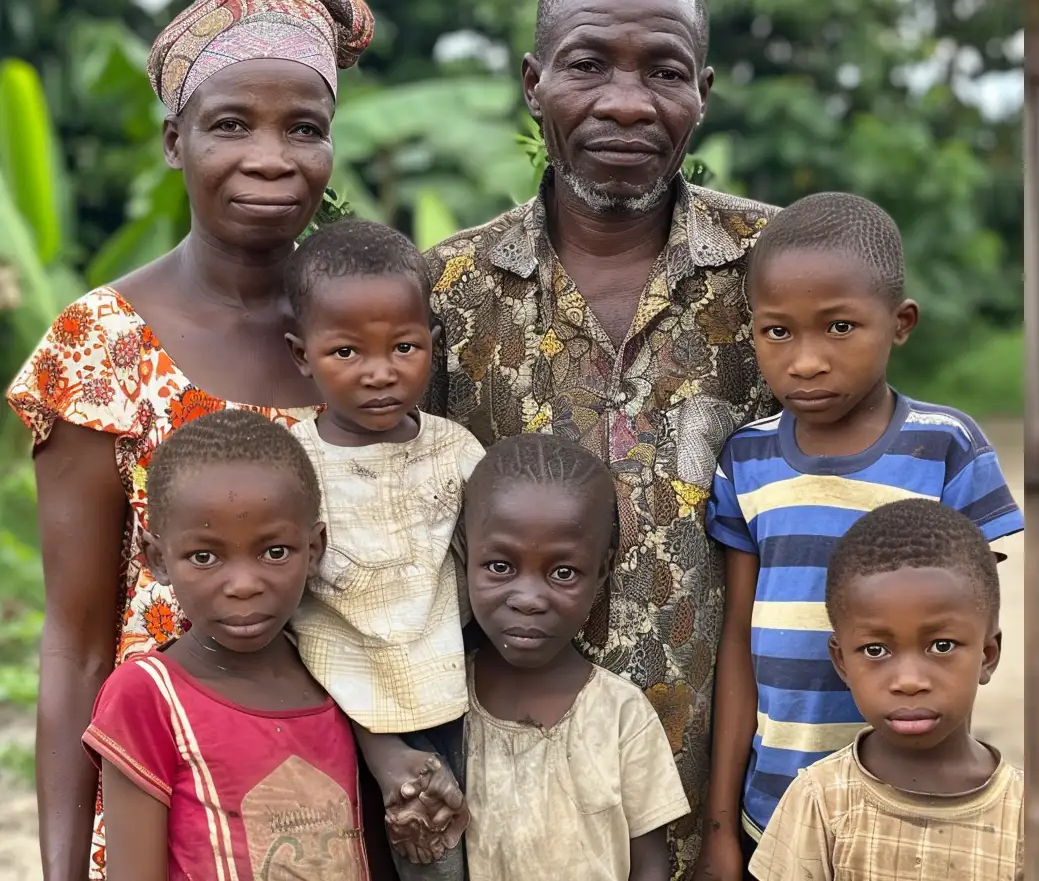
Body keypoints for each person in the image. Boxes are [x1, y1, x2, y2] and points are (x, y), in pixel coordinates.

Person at [8, 0, 372, 881]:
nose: (270, 158)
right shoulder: (104, 344)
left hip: (349, 807)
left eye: (305, 129)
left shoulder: (372, 339)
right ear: (175, 140)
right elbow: (79, 638)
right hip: (164, 817)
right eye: (230, 125)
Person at [427, 0, 771, 878]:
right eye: (588, 65)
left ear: (703, 91)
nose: (626, 101)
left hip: (739, 803)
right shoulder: (449, 291)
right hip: (514, 815)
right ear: (535, 84)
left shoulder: (778, 271)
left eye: (662, 72)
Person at [700, 192, 1022, 880]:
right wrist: (722, 828)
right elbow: (739, 639)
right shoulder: (747, 461)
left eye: (839, 327)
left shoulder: (947, 449)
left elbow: (963, 624)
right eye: (777, 332)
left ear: (900, 323)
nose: (807, 361)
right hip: (773, 806)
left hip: (919, 805)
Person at [83, 410, 370, 879]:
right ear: (157, 558)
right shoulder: (150, 696)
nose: (243, 585)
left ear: (314, 549)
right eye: (205, 556)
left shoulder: (336, 675)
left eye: (274, 552)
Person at [284, 219, 485, 879]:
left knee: (445, 857)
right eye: (347, 353)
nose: (380, 374)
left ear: (432, 344)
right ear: (300, 355)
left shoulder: (453, 451)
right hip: (337, 713)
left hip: (451, 705)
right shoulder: (293, 467)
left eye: (403, 347)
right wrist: (379, 745)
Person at [751, 499, 1023, 881]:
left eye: (941, 646)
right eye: (876, 650)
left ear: (988, 655)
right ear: (842, 662)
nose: (909, 681)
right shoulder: (821, 801)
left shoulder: (1024, 812)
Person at [460, 436, 689, 881]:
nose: (528, 599)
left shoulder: (620, 714)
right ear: (467, 555)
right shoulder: (444, 706)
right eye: (500, 566)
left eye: (562, 573)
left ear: (601, 572)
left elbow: (650, 863)